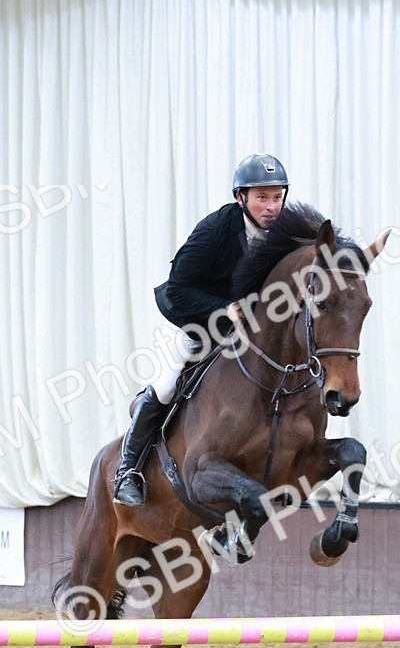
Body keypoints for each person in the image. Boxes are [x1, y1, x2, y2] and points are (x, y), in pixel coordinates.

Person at [113, 153, 290, 506]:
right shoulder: (215, 230)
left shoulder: (284, 233)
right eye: (262, 198)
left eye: (277, 197)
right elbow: (178, 288)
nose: (271, 207)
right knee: (168, 383)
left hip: (249, 327)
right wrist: (223, 309)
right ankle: (127, 471)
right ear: (240, 198)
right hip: (197, 314)